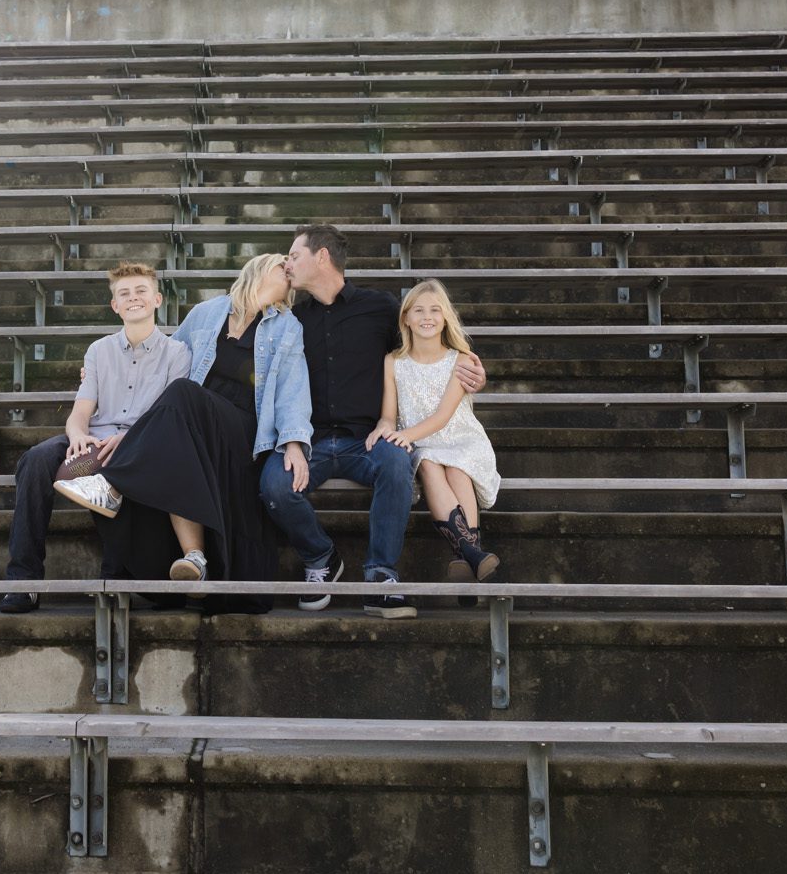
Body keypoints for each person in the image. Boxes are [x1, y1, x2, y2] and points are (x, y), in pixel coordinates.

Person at [260, 223, 485, 617]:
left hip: (366, 439)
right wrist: (291, 440)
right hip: (308, 442)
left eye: (294, 255)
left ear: (322, 257)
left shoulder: (379, 308)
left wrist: (468, 373)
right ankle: (322, 559)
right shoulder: (292, 320)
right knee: (273, 485)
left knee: (398, 462)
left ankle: (381, 576)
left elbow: (422, 353)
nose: (287, 263)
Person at [55, 252, 312, 586]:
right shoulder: (208, 313)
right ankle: (194, 558)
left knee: (183, 392)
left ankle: (112, 484)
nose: (290, 273)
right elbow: (166, 355)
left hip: (244, 430)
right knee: (181, 395)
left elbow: (294, 388)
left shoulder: (286, 326)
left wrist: (293, 443)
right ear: (260, 271)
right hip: (197, 423)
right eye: (283, 267)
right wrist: (95, 374)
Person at [0, 261, 189, 614]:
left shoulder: (177, 354)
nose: (134, 299)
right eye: (124, 294)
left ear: (157, 299)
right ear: (114, 305)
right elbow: (81, 411)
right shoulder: (99, 351)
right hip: (95, 439)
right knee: (37, 460)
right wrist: (76, 436)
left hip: (143, 443)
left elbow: (168, 415)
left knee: (116, 466)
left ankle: (114, 577)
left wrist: (133, 436)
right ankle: (24, 581)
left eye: (141, 291)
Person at [368, 279, 502, 582]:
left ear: (445, 318)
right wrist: (384, 428)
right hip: (424, 444)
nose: (426, 317)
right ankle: (473, 557)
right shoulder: (394, 362)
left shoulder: (462, 360)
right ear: (405, 318)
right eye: (418, 310)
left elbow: (443, 416)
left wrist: (405, 436)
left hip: (459, 438)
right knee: (427, 462)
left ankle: (468, 556)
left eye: (434, 310)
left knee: (457, 470)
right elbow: (389, 415)